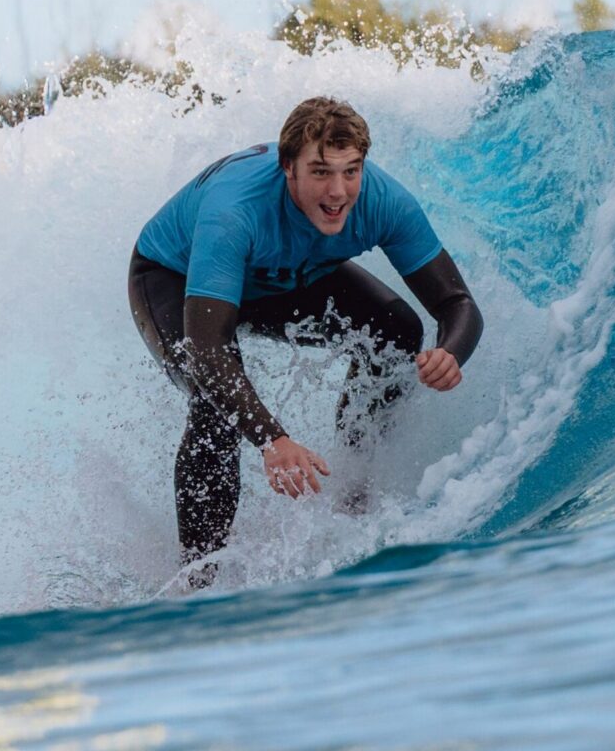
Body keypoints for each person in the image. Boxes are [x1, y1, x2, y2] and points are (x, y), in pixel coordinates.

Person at [128, 97, 482, 584]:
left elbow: (457, 305)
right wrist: (274, 439)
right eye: (320, 173)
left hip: (284, 279)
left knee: (397, 331)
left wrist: (451, 353)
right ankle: (195, 583)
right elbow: (208, 350)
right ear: (287, 168)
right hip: (174, 276)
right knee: (215, 403)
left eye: (350, 171)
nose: (338, 192)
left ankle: (354, 494)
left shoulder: (382, 201)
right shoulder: (235, 211)